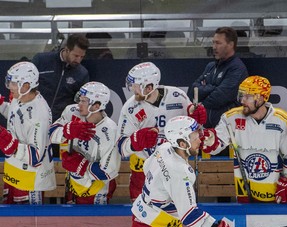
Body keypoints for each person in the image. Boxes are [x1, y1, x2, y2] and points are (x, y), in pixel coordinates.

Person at [200, 75, 287, 203]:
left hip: (274, 189)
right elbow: (215, 145)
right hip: (244, 187)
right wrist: (208, 138)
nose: (242, 100)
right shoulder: (231, 118)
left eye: (247, 96)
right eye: (241, 95)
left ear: (261, 98)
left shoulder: (281, 120)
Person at [117, 62, 207, 202]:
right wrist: (136, 141)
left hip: (176, 166)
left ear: (149, 86)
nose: (132, 90)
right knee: (142, 216)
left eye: (135, 86)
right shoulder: (129, 108)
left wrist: (197, 120)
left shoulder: (178, 96)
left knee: (176, 213)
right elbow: (120, 148)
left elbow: (195, 133)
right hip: (143, 169)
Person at [49, 82, 120, 204]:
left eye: (84, 101)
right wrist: (66, 131)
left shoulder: (110, 131)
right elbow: (49, 134)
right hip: (73, 182)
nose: (79, 104)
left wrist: (81, 166)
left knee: (94, 223)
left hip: (97, 190)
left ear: (96, 106)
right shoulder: (71, 112)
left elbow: (109, 172)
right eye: (80, 100)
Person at [0, 62, 55, 204]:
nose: (9, 86)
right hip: (14, 172)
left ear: (25, 86)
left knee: (26, 225)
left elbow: (36, 156)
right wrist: (1, 106)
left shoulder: (39, 114)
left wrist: (11, 144)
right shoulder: (21, 98)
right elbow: (17, 118)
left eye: (13, 83)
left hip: (30, 180)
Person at [189, 27, 249, 128]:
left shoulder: (237, 68)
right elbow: (193, 91)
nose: (214, 47)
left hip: (228, 127)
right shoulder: (211, 66)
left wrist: (201, 104)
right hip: (206, 127)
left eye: (218, 43)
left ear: (231, 45)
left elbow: (220, 97)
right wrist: (213, 88)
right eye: (213, 43)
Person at [32, 33, 90, 121]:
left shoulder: (82, 73)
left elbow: (80, 103)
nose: (78, 60)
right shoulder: (41, 60)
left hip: (60, 122)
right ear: (67, 50)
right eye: (76, 56)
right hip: (34, 116)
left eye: (82, 57)